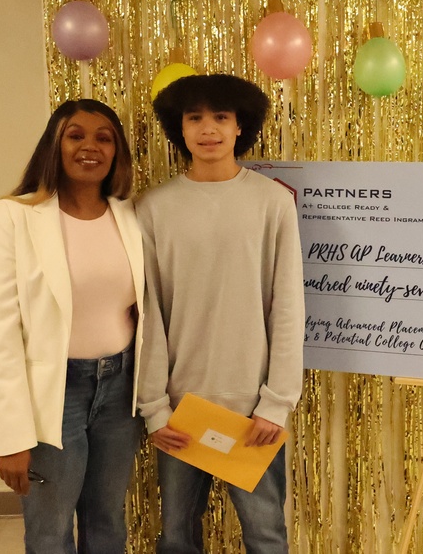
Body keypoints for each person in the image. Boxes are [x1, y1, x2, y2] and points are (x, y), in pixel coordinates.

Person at [136, 74, 304, 553]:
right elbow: (149, 314)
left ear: (239, 127)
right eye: (195, 118)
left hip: (254, 411)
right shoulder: (153, 209)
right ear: (180, 129)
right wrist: (154, 409)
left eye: (220, 117)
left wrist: (276, 402)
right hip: (180, 412)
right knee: (177, 536)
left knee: (266, 534)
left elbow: (288, 306)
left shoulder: (272, 203)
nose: (207, 129)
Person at [0, 98, 146, 554]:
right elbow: (0, 331)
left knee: (108, 522)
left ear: (117, 152)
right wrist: (11, 436)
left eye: (104, 137)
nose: (89, 146)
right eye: (76, 135)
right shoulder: (14, 215)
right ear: (54, 145)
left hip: (121, 389)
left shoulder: (131, 216)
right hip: (53, 395)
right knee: (51, 530)